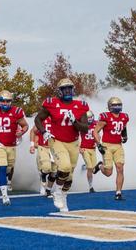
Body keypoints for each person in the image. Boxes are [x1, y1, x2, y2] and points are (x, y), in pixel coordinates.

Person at [34, 78, 89, 212]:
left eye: (70, 88)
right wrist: (43, 131)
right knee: (64, 167)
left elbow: (85, 128)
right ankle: (57, 192)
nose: (68, 91)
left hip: (74, 142)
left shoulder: (80, 105)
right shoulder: (51, 104)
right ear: (60, 91)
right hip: (57, 140)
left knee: (69, 177)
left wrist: (74, 121)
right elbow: (38, 119)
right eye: (65, 89)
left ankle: (63, 196)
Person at [0, 90, 29, 205]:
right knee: (2, 167)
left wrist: (22, 132)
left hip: (12, 144)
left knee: (9, 168)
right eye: (3, 101)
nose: (5, 103)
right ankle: (5, 196)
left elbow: (25, 125)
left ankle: (2, 182)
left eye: (8, 101)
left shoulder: (16, 112)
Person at [93, 97, 129, 200]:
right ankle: (100, 166)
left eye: (119, 104)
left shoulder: (124, 116)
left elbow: (124, 126)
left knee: (120, 168)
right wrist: (98, 144)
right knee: (108, 173)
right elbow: (95, 131)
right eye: (115, 105)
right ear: (110, 107)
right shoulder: (105, 117)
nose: (117, 107)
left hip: (118, 145)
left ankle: (118, 193)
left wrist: (125, 135)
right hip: (107, 145)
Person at [30, 116, 56, 197]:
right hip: (43, 147)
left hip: (55, 149)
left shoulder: (60, 120)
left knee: (54, 172)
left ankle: (48, 190)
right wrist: (32, 145)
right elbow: (33, 131)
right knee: (46, 167)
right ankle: (43, 178)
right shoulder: (43, 120)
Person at [79, 111, 97, 193]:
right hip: (84, 148)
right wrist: (79, 147)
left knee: (93, 169)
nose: (89, 119)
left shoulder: (96, 124)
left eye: (90, 117)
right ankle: (91, 187)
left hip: (93, 149)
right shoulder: (81, 125)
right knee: (90, 167)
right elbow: (75, 135)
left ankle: (84, 167)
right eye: (88, 117)